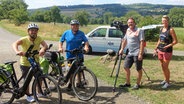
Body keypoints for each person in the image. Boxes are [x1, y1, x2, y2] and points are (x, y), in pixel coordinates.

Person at [12, 23, 48, 102]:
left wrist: (43, 49)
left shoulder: (39, 38)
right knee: (27, 80)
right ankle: (28, 95)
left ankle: (39, 92)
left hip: (36, 62)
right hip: (25, 63)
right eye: (31, 30)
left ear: (37, 32)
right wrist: (17, 51)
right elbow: (15, 43)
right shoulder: (25, 39)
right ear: (28, 31)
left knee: (40, 77)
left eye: (35, 30)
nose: (33, 32)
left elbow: (45, 45)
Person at [58, 19, 89, 91]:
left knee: (80, 70)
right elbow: (61, 41)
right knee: (71, 71)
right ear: (71, 26)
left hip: (79, 55)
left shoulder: (81, 33)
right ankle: (71, 83)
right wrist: (60, 47)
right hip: (70, 55)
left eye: (77, 25)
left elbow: (86, 41)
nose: (75, 27)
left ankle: (79, 83)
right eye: (73, 25)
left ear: (78, 26)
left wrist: (86, 47)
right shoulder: (66, 33)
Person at [118, 17, 145, 90]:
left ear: (135, 23)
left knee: (138, 69)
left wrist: (140, 53)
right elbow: (125, 40)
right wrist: (121, 49)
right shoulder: (128, 30)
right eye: (129, 22)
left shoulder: (139, 30)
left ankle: (137, 84)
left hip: (137, 52)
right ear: (127, 24)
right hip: (130, 53)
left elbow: (142, 42)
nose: (130, 23)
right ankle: (128, 83)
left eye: (132, 22)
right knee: (126, 67)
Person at [153, 15, 178, 89]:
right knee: (162, 66)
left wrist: (167, 46)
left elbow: (175, 41)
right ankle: (165, 79)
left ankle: (168, 83)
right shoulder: (161, 29)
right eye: (163, 20)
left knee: (165, 66)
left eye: (165, 21)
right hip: (160, 50)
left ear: (168, 21)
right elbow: (159, 39)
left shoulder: (171, 30)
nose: (164, 22)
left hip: (167, 51)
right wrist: (156, 48)